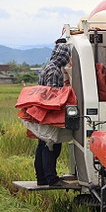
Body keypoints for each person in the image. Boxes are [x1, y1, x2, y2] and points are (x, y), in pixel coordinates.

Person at [33, 41, 71, 187]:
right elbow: (52, 95)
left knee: (42, 144)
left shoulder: (48, 67)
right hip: (49, 112)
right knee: (51, 144)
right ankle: (52, 179)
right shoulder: (55, 70)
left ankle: (41, 178)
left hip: (41, 111)